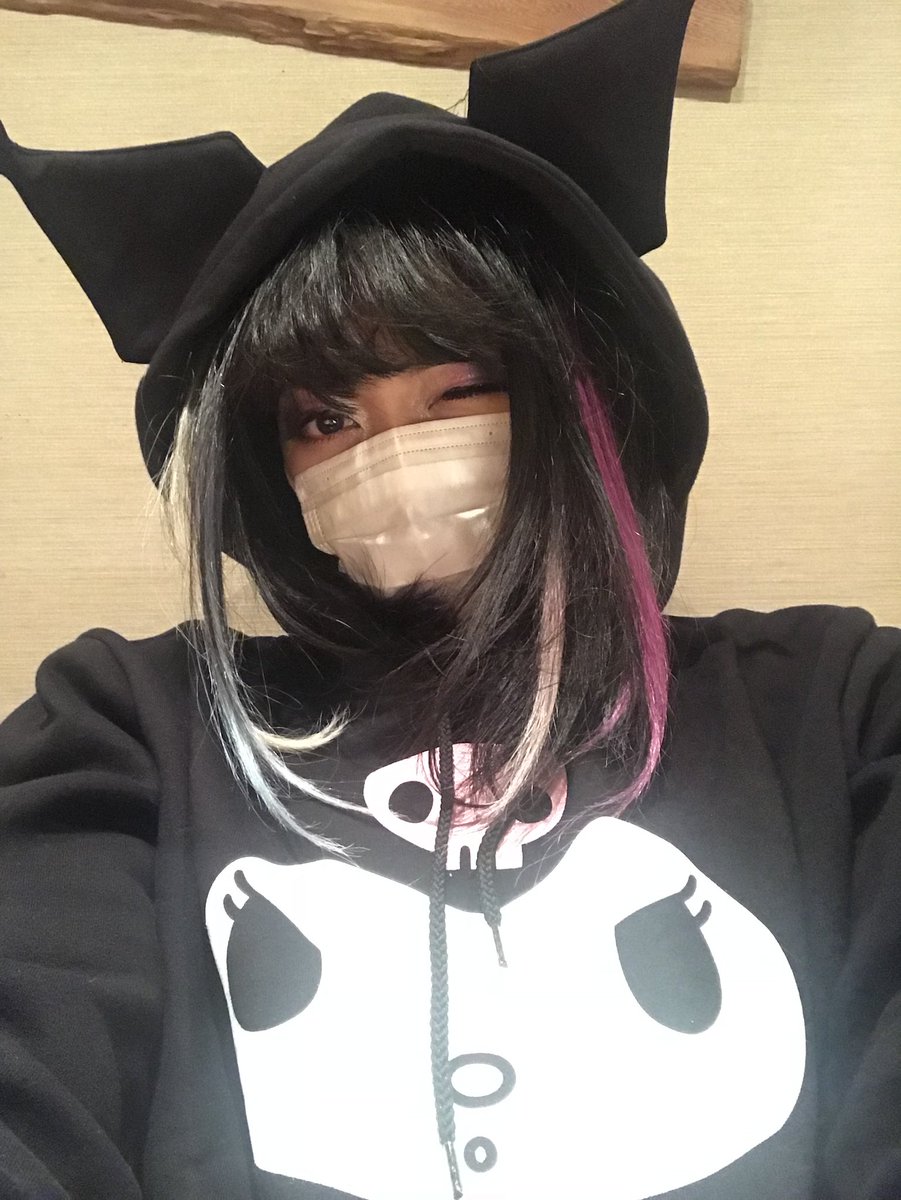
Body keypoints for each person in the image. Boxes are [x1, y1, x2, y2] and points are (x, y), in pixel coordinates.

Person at [1, 0, 899, 1197]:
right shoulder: (132, 729)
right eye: (324, 418)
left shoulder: (837, 713)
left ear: (585, 400)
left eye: (460, 390)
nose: (391, 456)